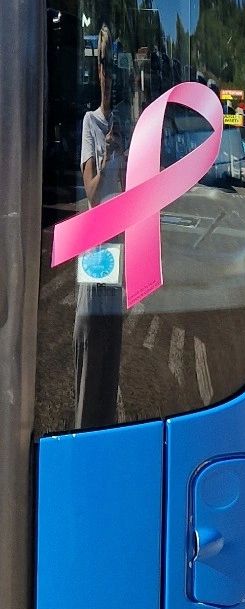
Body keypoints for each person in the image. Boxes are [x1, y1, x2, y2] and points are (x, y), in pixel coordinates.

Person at [74, 24, 127, 430]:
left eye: (114, 70)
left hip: (122, 236)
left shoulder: (128, 124)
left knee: (113, 332)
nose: (109, 78)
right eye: (104, 69)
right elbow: (92, 193)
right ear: (98, 76)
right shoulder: (91, 123)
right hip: (98, 241)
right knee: (92, 328)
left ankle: (105, 418)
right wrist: (108, 155)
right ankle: (84, 420)